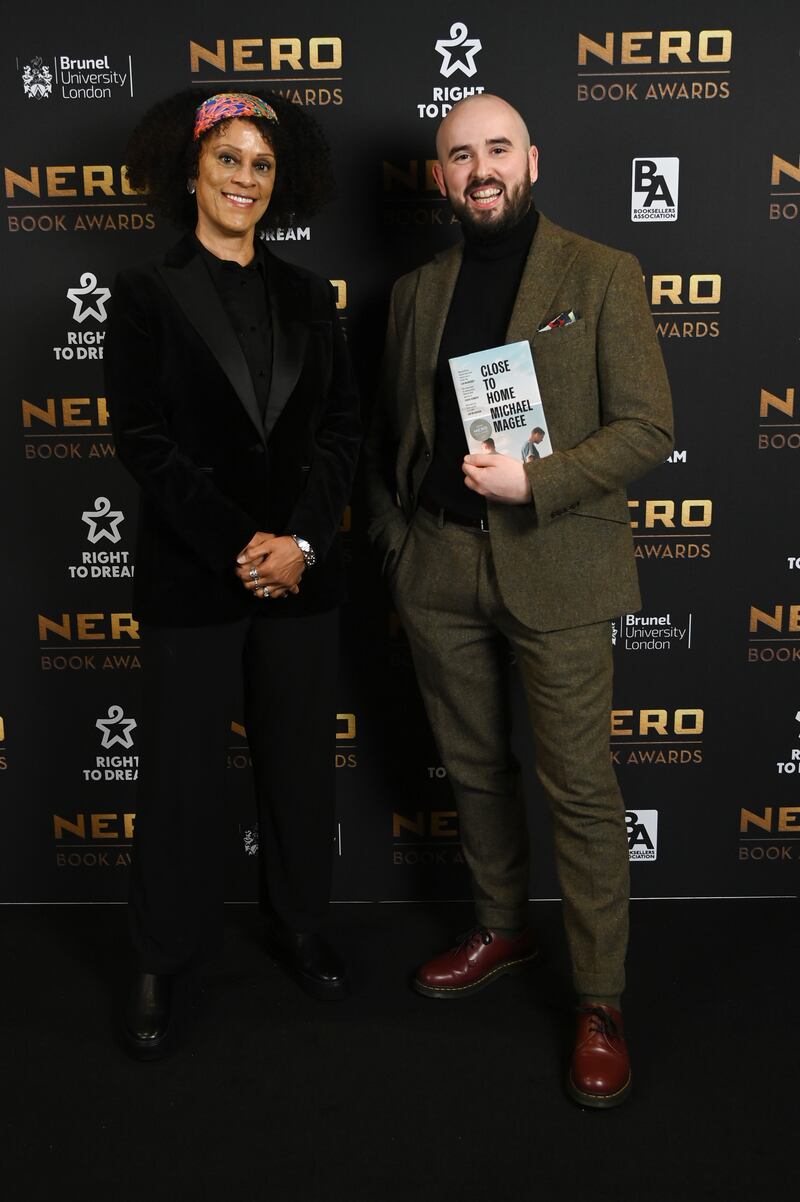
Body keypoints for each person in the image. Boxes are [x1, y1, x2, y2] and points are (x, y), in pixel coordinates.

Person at [364, 94, 672, 1108]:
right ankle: (501, 923)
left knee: (578, 787)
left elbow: (642, 429)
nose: (478, 167)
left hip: (556, 564)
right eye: (459, 154)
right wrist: (400, 544)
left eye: (496, 148)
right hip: (440, 569)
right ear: (441, 176)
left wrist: (533, 484)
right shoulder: (416, 288)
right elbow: (384, 438)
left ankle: (598, 997)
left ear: (529, 159)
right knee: (471, 766)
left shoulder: (599, 272)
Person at [105, 89, 360, 1059]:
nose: (244, 178)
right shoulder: (143, 294)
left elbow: (340, 430)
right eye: (227, 160)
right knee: (177, 779)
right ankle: (159, 954)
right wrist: (235, 545)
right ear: (190, 169)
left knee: (297, 763)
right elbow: (143, 440)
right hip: (190, 574)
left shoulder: (308, 295)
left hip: (300, 574)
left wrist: (297, 542)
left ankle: (300, 920)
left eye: (260, 164)